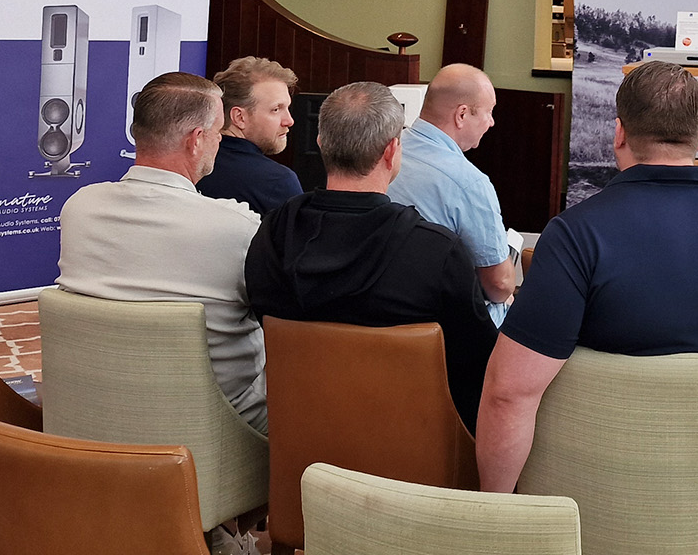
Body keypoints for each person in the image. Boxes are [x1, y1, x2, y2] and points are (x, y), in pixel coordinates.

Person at [475, 61, 698, 555]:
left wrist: (495, 518)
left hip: (595, 492)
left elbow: (508, 395)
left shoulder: (574, 235)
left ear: (618, 133)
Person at [246, 81, 498, 431]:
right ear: (393, 150)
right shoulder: (437, 252)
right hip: (413, 442)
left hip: (301, 435)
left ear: (321, 144)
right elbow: (479, 362)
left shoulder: (273, 235)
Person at [58, 72, 266, 432]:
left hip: (98, 413)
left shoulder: (79, 208)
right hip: (214, 425)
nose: (219, 142)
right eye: (219, 133)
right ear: (197, 141)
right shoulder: (237, 226)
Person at [386, 63, 517, 324]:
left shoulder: (385, 154)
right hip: (441, 326)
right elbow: (499, 285)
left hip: (383, 311)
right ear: (462, 115)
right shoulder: (469, 183)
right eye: (489, 113)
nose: (491, 123)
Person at [200, 56, 303, 216]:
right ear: (239, 117)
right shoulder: (276, 181)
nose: (289, 121)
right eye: (276, 109)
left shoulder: (188, 165)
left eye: (287, 108)